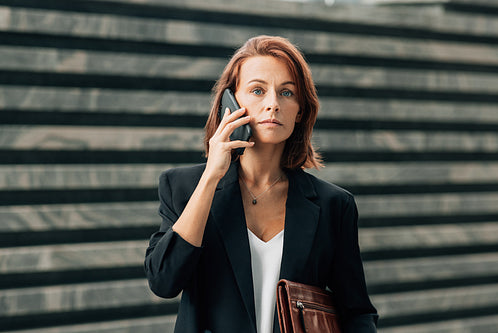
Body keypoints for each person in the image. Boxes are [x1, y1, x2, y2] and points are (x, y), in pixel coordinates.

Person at [144, 35, 378, 333]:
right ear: (230, 102)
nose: (273, 104)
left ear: (301, 110)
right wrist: (211, 177)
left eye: (287, 93)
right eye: (257, 90)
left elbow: (357, 312)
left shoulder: (333, 205)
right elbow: (163, 282)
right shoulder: (183, 186)